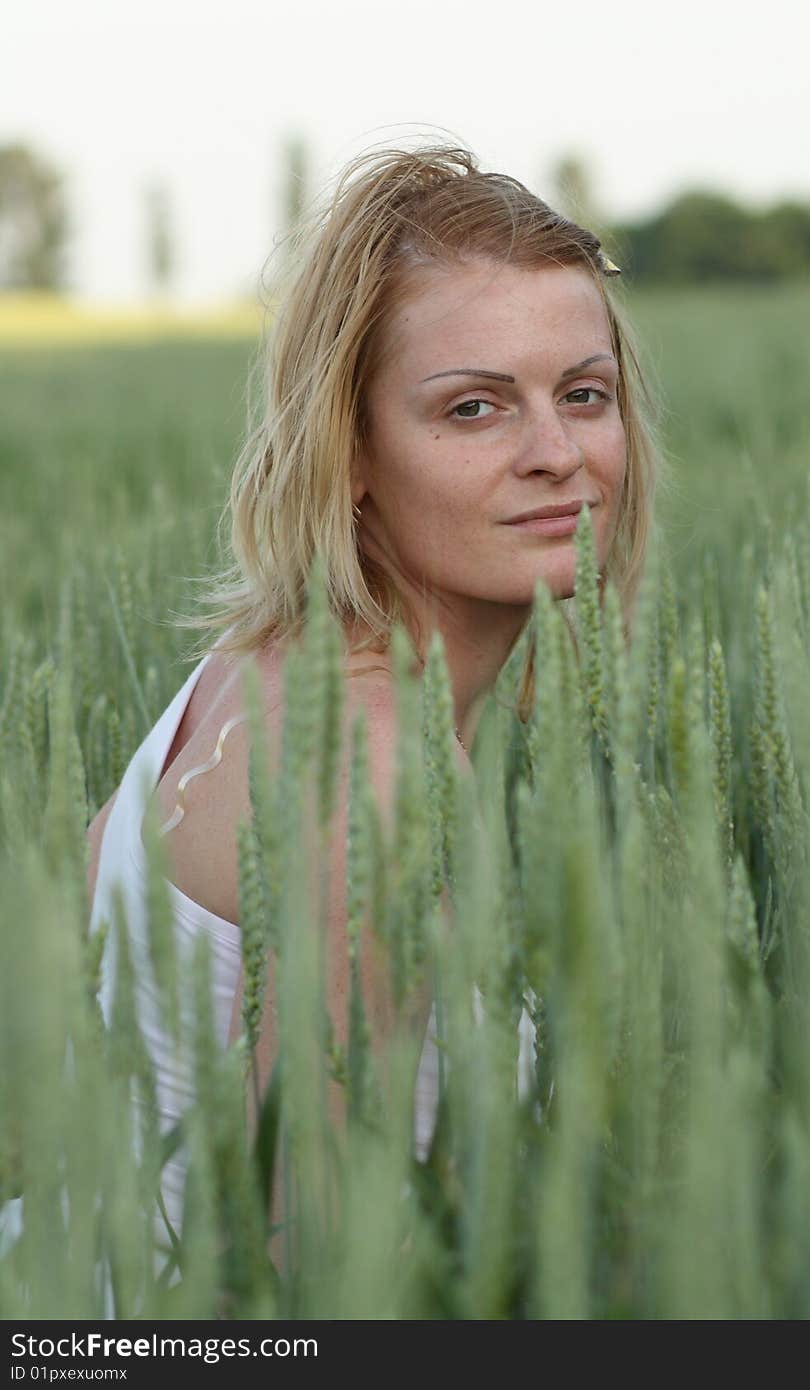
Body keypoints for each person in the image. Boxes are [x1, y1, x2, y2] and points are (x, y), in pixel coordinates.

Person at [84, 137, 661, 1285]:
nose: (558, 454)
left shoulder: (260, 668)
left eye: (583, 395)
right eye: (474, 408)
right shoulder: (369, 775)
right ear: (347, 450)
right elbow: (324, 1280)